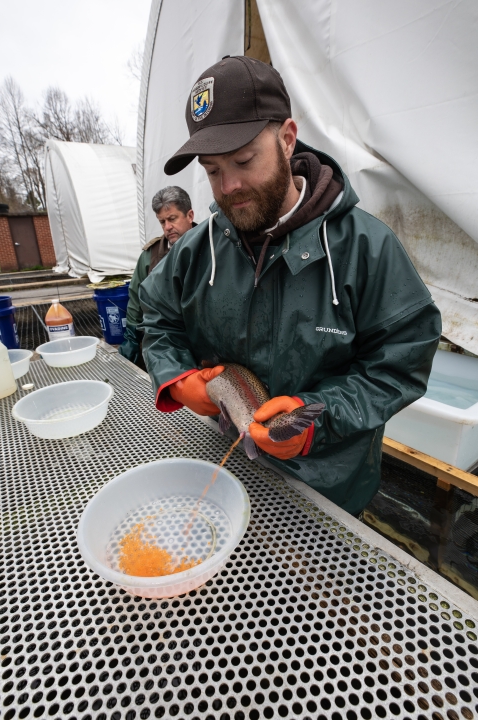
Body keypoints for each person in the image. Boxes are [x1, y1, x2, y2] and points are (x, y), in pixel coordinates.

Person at [139, 56, 441, 516]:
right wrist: (177, 379)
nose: (230, 185)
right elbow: (158, 318)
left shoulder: (367, 247)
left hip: (330, 488)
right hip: (228, 468)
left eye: (243, 159)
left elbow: (401, 361)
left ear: (286, 139)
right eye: (213, 170)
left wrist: (318, 420)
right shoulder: (195, 250)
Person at [119, 186, 195, 367]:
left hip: (200, 342)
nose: (167, 227)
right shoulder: (150, 256)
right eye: (162, 222)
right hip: (163, 346)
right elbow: (136, 299)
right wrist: (131, 335)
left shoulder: (212, 246)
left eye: (172, 219)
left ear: (190, 216)